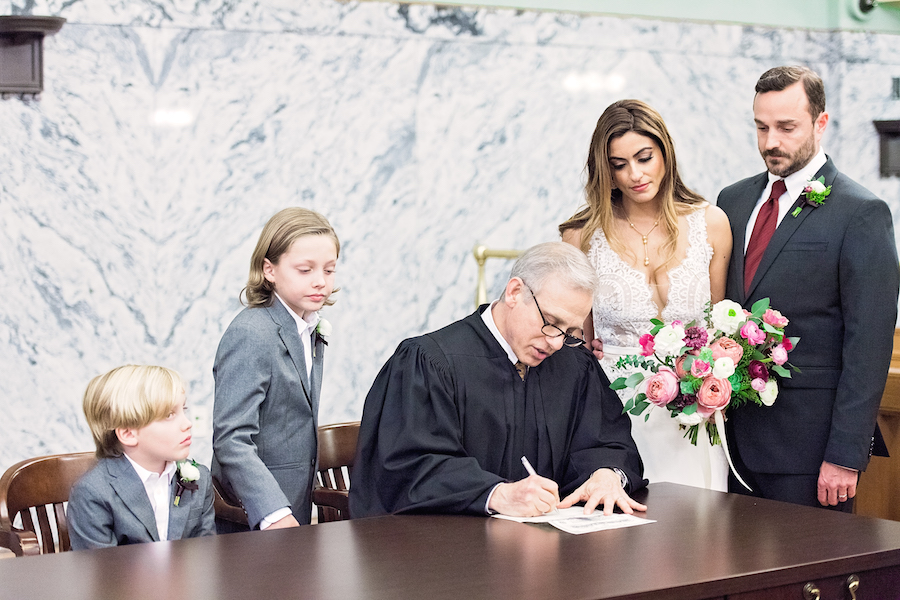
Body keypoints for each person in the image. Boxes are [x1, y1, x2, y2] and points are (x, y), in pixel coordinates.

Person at [350, 242, 646, 518]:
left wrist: (607, 474)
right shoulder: (430, 362)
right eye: (551, 323)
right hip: (449, 556)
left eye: (570, 331)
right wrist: (496, 494)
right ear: (514, 292)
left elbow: (608, 441)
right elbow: (405, 468)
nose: (556, 342)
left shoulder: (575, 365)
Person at [717, 65, 899, 510]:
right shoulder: (732, 201)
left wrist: (844, 455)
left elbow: (869, 344)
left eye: (786, 127)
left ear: (821, 123)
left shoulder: (861, 212)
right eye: (760, 127)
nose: (770, 142)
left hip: (810, 454)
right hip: (727, 442)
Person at [560, 99, 733, 491]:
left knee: (698, 534)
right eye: (619, 165)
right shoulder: (582, 236)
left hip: (693, 415)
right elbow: (572, 338)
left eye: (644, 157)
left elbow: (720, 331)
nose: (634, 174)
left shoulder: (711, 223)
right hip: (612, 413)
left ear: (665, 152)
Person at [212, 207, 339, 530]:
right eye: (305, 270)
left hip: (295, 503)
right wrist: (273, 512)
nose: (320, 282)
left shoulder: (307, 327)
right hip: (255, 516)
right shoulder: (252, 333)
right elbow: (231, 438)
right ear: (269, 270)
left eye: (329, 270)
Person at [68, 365, 215, 549]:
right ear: (128, 434)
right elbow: (101, 572)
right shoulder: (93, 492)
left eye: (183, 409)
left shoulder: (199, 477)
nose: (187, 423)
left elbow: (205, 552)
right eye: (169, 415)